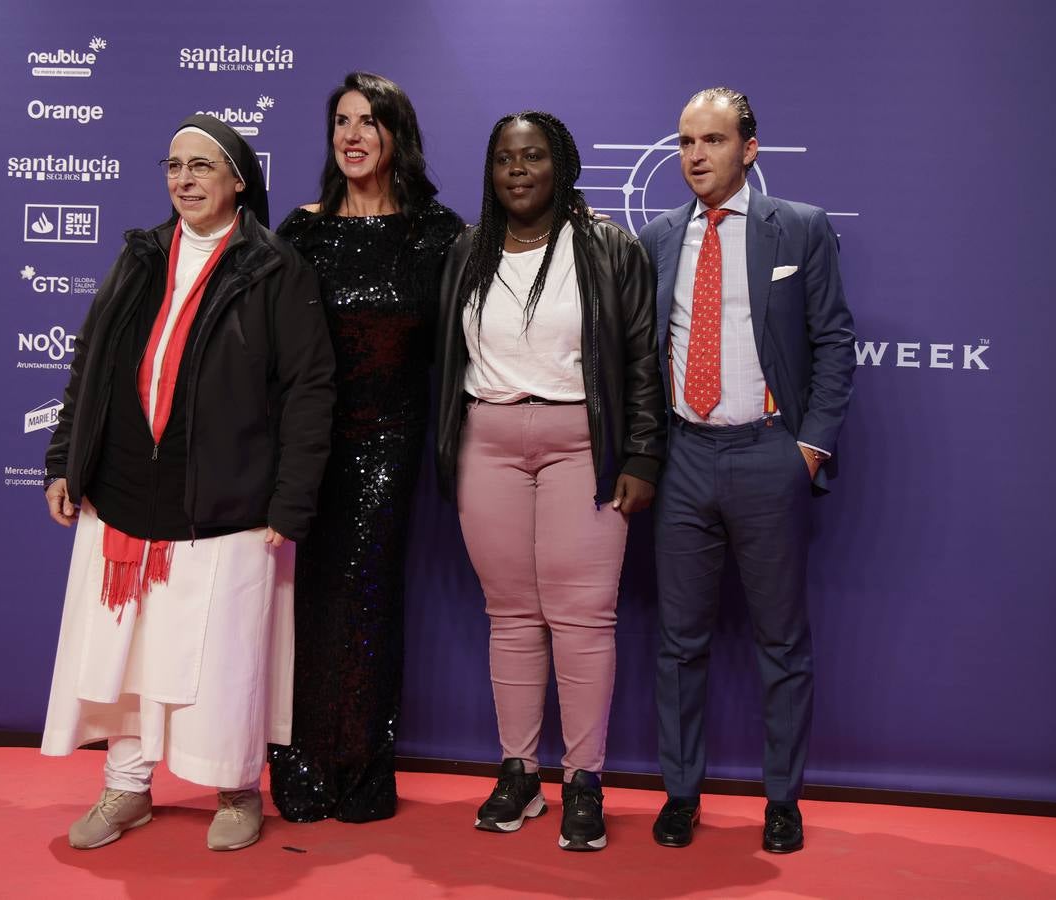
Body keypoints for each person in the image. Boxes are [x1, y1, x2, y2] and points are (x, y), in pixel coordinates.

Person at [39, 114, 335, 852]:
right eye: (174, 165)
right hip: (126, 492)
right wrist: (63, 461)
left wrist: (291, 497)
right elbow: (92, 360)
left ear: (238, 179)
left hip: (227, 501)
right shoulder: (140, 256)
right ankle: (126, 788)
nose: (184, 180)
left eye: (202, 166)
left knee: (222, 654)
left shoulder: (273, 268)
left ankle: (236, 790)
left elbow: (309, 387)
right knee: (129, 652)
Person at [434, 111, 666, 851]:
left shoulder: (606, 247)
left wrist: (640, 456)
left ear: (559, 164)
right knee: (509, 614)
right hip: (489, 442)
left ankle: (584, 779)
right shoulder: (466, 250)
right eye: (505, 159)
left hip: (582, 443)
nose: (518, 171)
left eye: (533, 157)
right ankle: (519, 771)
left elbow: (637, 358)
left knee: (582, 616)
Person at [638, 87, 855, 854]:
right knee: (678, 641)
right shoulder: (659, 236)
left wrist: (809, 447)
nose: (695, 155)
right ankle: (679, 793)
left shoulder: (796, 226)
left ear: (748, 149)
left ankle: (782, 800)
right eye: (685, 141)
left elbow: (832, 340)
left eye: (712, 140)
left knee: (781, 642)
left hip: (769, 454)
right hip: (684, 458)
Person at [267, 72, 463, 824]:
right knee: (305, 603)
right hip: (306, 446)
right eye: (341, 122)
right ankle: (300, 764)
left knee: (367, 602)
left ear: (396, 136)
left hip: (391, 442)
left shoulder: (437, 233)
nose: (351, 135)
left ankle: (360, 770)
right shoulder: (300, 230)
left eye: (369, 122)